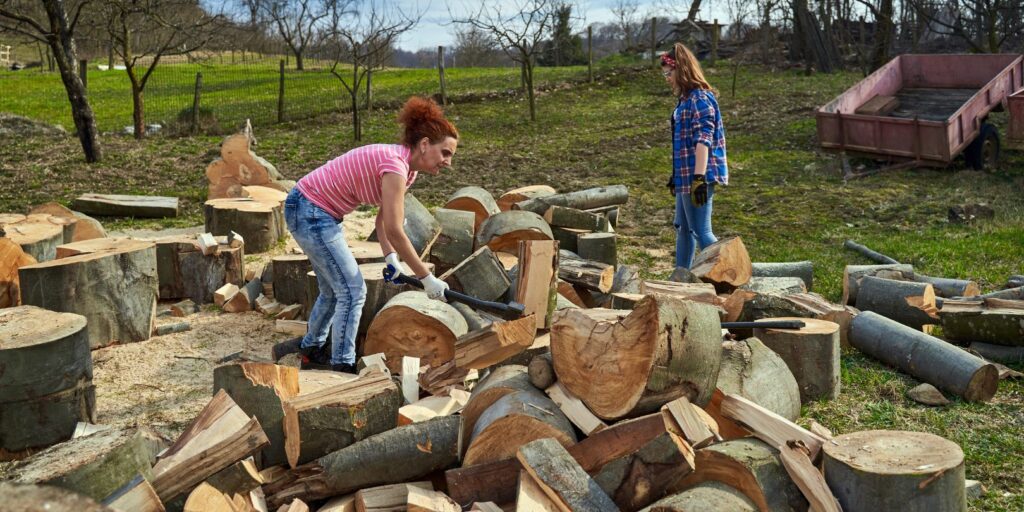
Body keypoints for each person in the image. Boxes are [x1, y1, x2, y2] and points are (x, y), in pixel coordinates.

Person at [272, 96, 458, 373]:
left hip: (314, 210)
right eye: (445, 152)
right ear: (424, 145)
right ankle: (342, 365)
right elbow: (395, 228)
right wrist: (426, 278)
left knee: (333, 290)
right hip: (310, 211)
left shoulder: (406, 171)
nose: (448, 162)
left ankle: (309, 349)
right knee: (353, 290)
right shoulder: (396, 166)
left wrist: (391, 257)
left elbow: (383, 216)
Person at [662, 43, 729, 269]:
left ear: (681, 71)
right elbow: (681, 143)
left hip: (698, 174)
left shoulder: (700, 99)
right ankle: (681, 277)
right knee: (683, 227)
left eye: (668, 73)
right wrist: (676, 176)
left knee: (701, 230)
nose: (666, 78)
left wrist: (698, 179)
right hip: (685, 174)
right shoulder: (684, 101)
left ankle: (729, 272)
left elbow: (704, 140)